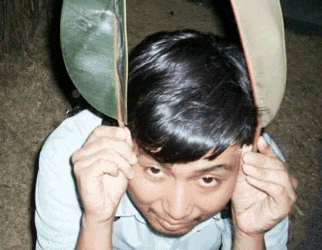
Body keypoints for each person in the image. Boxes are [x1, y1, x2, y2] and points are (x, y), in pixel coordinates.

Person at [35, 30, 297, 249]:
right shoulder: (72, 153)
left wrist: (250, 234)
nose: (177, 210)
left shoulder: (260, 172)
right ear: (124, 136)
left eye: (208, 179)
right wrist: (96, 220)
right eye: (155, 170)